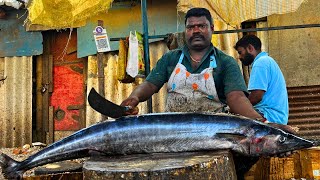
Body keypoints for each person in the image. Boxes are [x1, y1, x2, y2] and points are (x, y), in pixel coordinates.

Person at [121, 7, 263, 121]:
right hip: (173, 127)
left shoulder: (226, 62)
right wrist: (134, 97)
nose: (196, 31)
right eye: (190, 27)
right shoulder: (170, 58)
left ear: (212, 28)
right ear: (185, 31)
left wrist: (259, 121)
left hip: (212, 129)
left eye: (201, 26)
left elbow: (236, 97)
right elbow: (150, 84)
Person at [234, 34, 289, 125]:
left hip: (269, 116)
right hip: (276, 116)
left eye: (240, 52)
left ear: (250, 48)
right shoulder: (267, 61)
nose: (239, 57)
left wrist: (237, 107)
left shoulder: (261, 62)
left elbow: (256, 96)